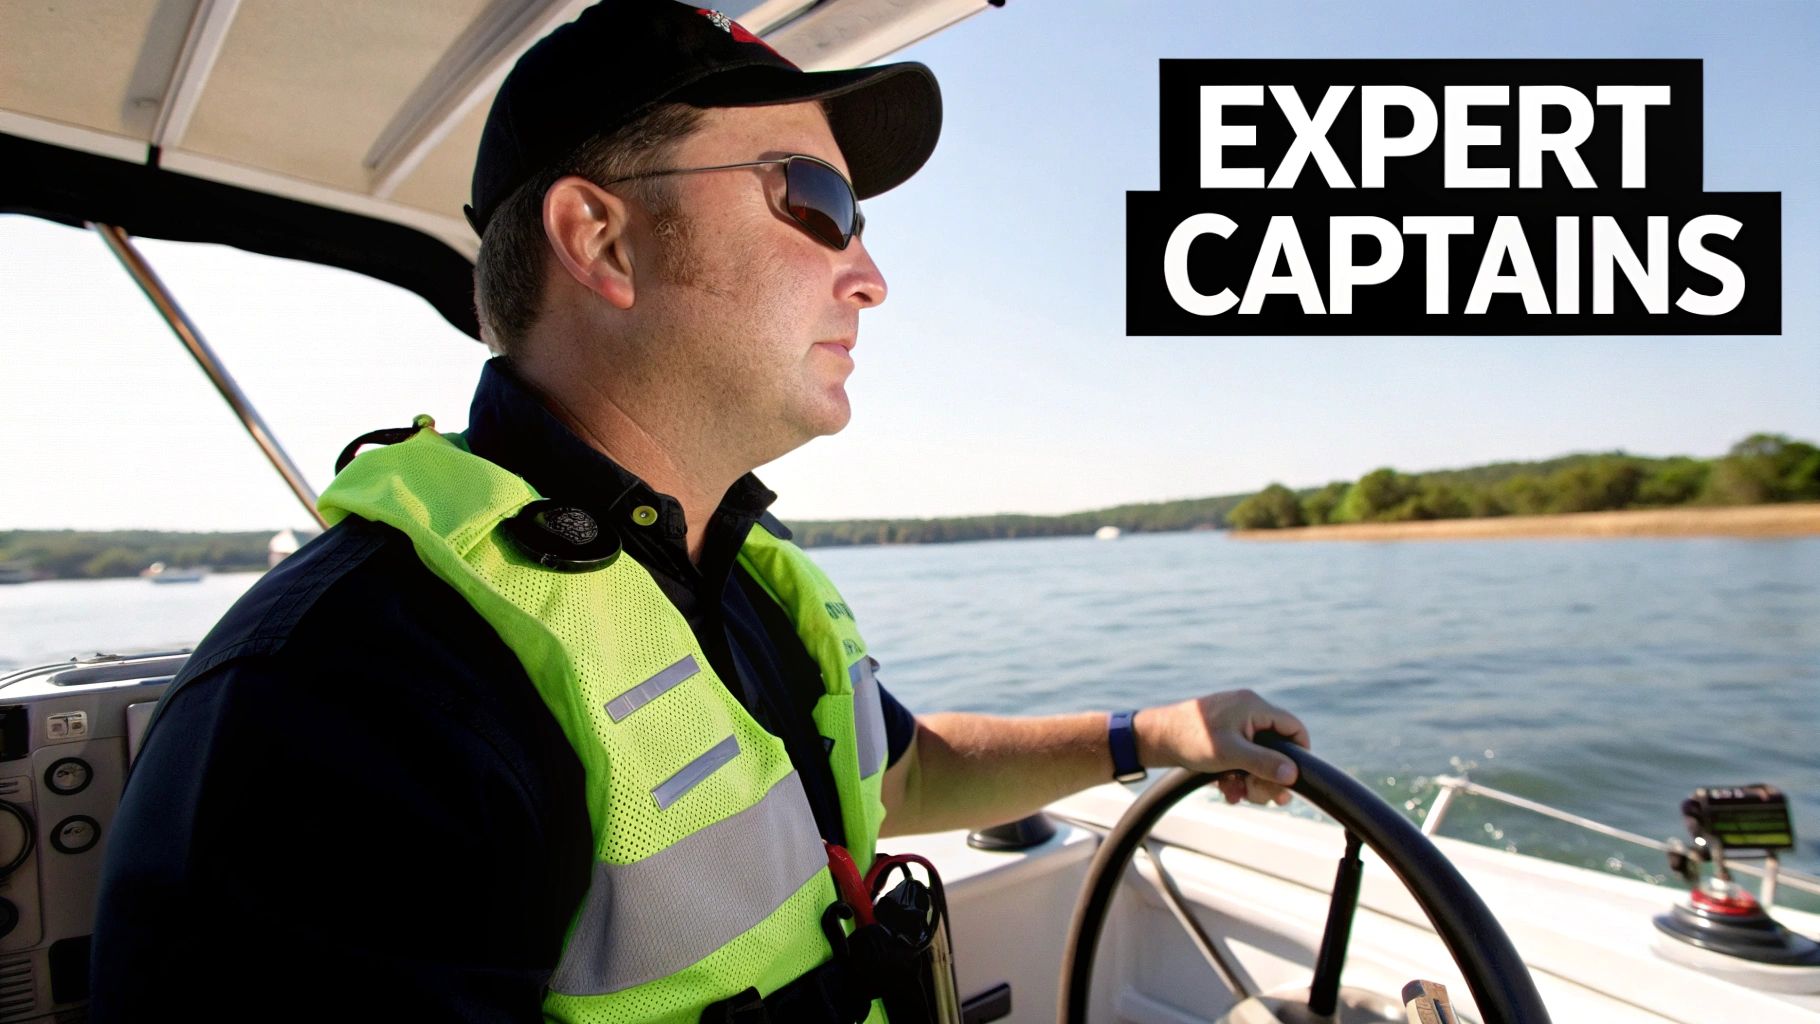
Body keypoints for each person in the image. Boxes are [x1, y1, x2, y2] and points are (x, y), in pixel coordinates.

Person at [90, 1, 1310, 1020]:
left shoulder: (721, 571)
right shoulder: (345, 702)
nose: (870, 273)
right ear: (600, 240)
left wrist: (1152, 733)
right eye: (815, 199)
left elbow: (893, 778)